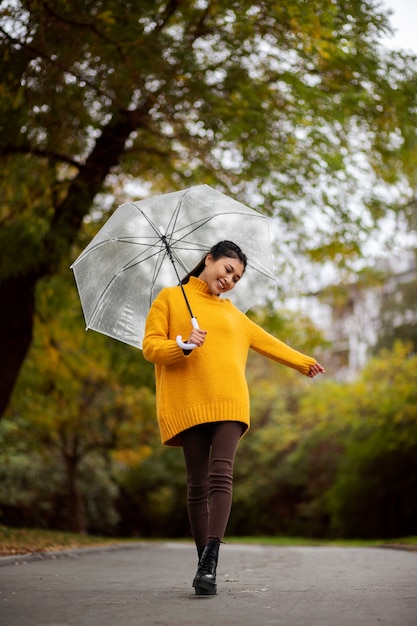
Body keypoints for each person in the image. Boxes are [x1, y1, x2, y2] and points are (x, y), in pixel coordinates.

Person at [142, 240, 324, 596]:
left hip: (230, 402)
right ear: (208, 260)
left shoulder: (233, 314)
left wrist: (303, 362)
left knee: (220, 473)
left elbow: (269, 342)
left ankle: (210, 560)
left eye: (237, 278)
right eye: (228, 270)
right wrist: (182, 344)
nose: (230, 281)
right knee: (196, 484)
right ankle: (203, 566)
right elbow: (150, 347)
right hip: (188, 401)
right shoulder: (169, 298)